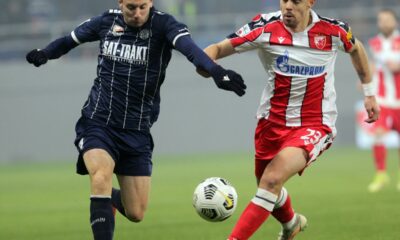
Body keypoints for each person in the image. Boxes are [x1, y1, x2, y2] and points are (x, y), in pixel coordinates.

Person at [26, 0, 246, 239]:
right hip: (99, 121)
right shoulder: (106, 21)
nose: (138, 13)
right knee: (100, 175)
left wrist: (216, 72)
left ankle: (103, 197)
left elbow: (190, 49)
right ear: (121, 3)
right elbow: (69, 41)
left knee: (136, 212)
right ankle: (100, 194)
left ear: (150, 2)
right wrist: (45, 53)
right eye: (131, 7)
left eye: (143, 6)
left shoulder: (164, 24)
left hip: (137, 130)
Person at [199, 0, 379, 239]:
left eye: (295, 1)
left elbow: (357, 49)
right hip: (271, 123)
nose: (287, 7)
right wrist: (211, 69)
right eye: (284, 0)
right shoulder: (264, 27)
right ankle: (291, 223)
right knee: (266, 185)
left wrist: (369, 94)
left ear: (310, 2)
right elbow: (217, 49)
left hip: (315, 123)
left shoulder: (333, 31)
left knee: (271, 180)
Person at [366, 9, 400, 193]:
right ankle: (381, 174)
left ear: (394, 21)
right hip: (383, 100)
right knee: (378, 134)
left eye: (388, 20)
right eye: (381, 20)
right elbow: (370, 65)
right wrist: (365, 79)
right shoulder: (373, 43)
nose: (385, 23)